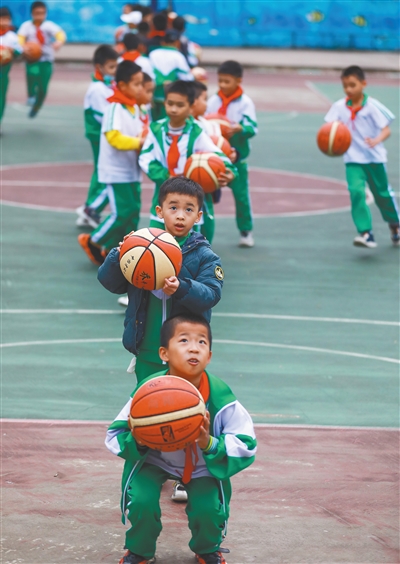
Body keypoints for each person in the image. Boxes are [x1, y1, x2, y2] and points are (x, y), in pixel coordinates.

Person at [105, 313, 257, 564]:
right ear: (164, 353)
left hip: (201, 465)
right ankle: (139, 551)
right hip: (154, 460)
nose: (194, 348)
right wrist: (139, 439)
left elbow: (246, 443)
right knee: (141, 501)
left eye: (202, 342)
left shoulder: (221, 397)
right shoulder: (149, 391)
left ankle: (207, 549)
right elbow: (116, 434)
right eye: (184, 340)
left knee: (208, 510)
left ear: (209, 356)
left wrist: (209, 443)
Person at [98, 176, 224, 384]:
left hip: (184, 352)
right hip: (147, 348)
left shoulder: (205, 256)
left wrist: (182, 287)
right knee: (146, 400)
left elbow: (211, 294)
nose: (180, 216)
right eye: (173, 208)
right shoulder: (140, 247)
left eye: (189, 209)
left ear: (198, 216)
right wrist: (120, 255)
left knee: (182, 400)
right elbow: (109, 282)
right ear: (159, 211)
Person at [139, 80, 236, 232]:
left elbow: (217, 154)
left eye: (180, 105)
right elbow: (145, 158)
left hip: (190, 197)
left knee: (191, 243)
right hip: (163, 196)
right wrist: (166, 176)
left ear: (191, 107)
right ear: (164, 103)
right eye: (170, 103)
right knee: (157, 241)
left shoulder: (196, 132)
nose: (173, 109)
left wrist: (231, 171)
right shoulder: (156, 130)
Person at [324, 65, 399, 248]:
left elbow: (386, 130)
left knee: (382, 195)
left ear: (363, 84)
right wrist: (330, 143)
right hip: (353, 159)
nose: (348, 89)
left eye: (352, 85)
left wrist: (376, 140)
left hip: (374, 159)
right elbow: (329, 130)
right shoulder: (339, 107)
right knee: (356, 192)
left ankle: (395, 225)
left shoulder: (372, 106)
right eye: (345, 86)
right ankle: (366, 233)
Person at [78, 61, 144, 265]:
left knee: (133, 213)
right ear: (122, 85)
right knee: (122, 213)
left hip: (131, 170)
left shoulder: (135, 108)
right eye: (137, 84)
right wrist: (139, 142)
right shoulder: (114, 108)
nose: (140, 88)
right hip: (116, 171)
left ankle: (119, 250)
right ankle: (93, 240)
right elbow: (114, 138)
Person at [207, 60, 258, 248]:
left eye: (227, 81)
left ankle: (246, 231)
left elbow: (253, 128)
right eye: (220, 80)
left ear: (238, 80)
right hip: (213, 159)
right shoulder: (213, 101)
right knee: (206, 198)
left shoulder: (245, 103)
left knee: (241, 197)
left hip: (237, 159)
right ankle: (201, 234)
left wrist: (241, 128)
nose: (222, 85)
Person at [76, 44, 118, 228]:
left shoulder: (107, 85)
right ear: (99, 67)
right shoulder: (97, 89)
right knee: (104, 172)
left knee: (100, 171)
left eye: (116, 66)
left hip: (104, 134)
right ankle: (90, 209)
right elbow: (104, 117)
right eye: (111, 67)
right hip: (99, 135)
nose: (114, 70)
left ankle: (89, 208)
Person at [191, 81, 238, 243]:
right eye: (204, 99)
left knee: (207, 223)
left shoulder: (210, 125)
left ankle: (204, 248)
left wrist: (231, 154)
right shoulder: (187, 128)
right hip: (186, 183)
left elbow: (221, 149)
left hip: (206, 184)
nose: (207, 104)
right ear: (193, 102)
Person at [17, 1, 66, 118]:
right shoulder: (26, 26)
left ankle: (37, 106)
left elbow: (60, 34)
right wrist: (23, 47)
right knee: (32, 73)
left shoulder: (49, 26)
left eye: (42, 13)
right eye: (37, 13)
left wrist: (59, 42)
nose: (40, 16)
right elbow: (20, 39)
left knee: (43, 88)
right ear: (32, 14)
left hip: (46, 60)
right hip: (32, 59)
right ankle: (31, 95)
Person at [148, 28, 193, 121]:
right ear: (177, 43)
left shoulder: (153, 54)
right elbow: (188, 78)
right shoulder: (178, 56)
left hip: (153, 97)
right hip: (172, 100)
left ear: (162, 42)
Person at [0, 6, 23, 125]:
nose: (4, 22)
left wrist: (12, 51)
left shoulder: (12, 37)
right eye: (2, 19)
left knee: (1, 99)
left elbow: (19, 51)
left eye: (7, 19)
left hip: (3, 74)